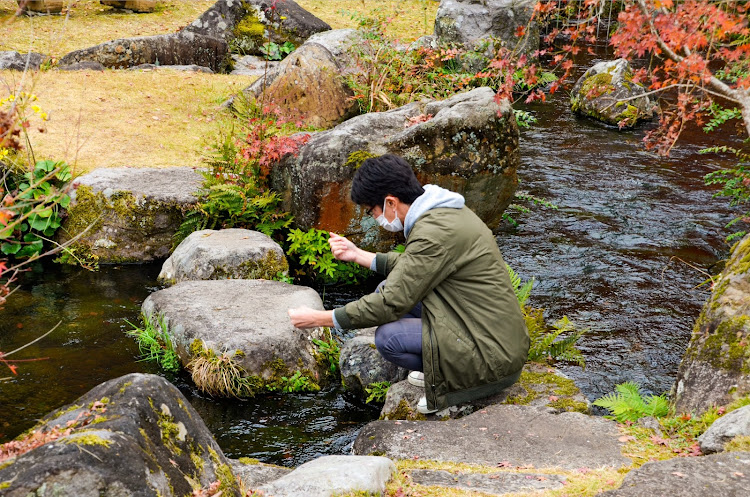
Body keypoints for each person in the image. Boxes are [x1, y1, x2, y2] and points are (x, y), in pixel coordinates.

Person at [288, 154, 529, 414]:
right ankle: (443, 366)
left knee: (389, 338)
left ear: (390, 202)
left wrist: (321, 318)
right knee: (385, 289)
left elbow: (390, 304)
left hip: (491, 355)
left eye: (373, 211)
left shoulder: (432, 231)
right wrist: (357, 255)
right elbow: (415, 267)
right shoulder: (442, 211)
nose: (375, 218)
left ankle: (452, 386)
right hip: (482, 326)